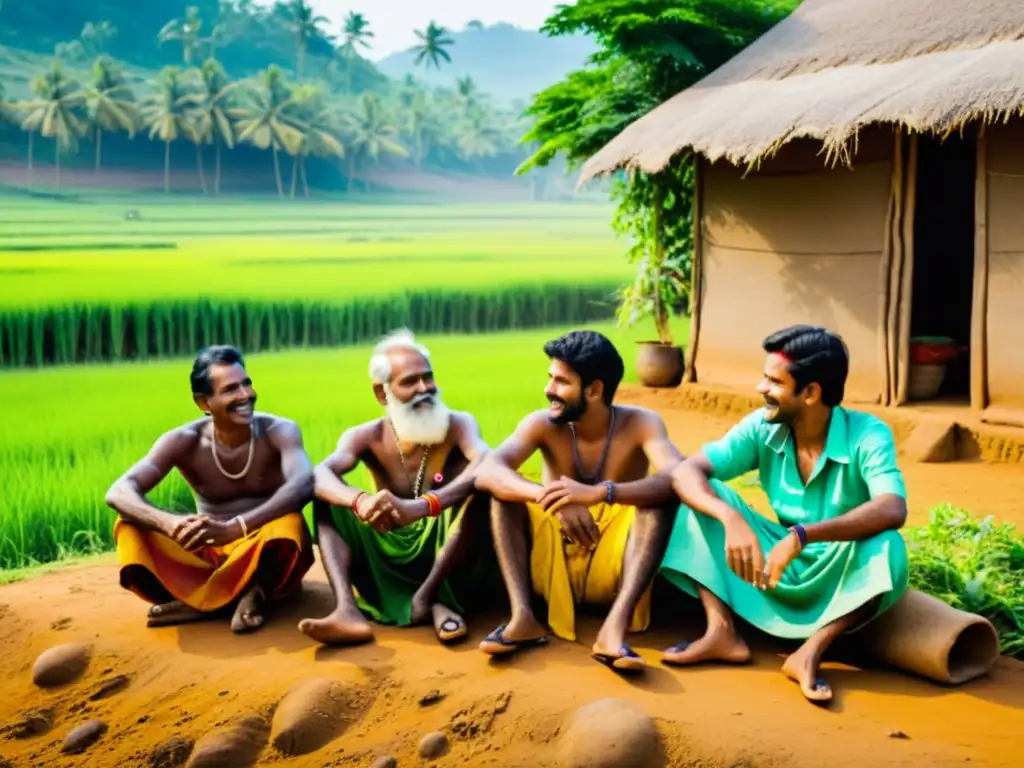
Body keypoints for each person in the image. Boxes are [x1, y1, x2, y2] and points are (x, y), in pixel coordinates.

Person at [659, 324, 910, 704]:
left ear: (810, 393)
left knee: (889, 546)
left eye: (774, 381)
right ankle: (721, 631)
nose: (761, 388)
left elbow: (893, 507)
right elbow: (685, 472)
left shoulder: (868, 434)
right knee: (704, 498)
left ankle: (811, 651)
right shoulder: (761, 426)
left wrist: (803, 535)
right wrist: (730, 519)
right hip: (774, 563)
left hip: (840, 565)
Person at [474, 330, 683, 672]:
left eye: (561, 381)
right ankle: (522, 617)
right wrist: (552, 498)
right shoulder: (541, 423)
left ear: (594, 390)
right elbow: (488, 470)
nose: (549, 389)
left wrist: (602, 492)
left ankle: (613, 629)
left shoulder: (641, 423)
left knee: (656, 504)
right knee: (502, 496)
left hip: (616, 562)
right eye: (550, 378)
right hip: (554, 558)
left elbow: (676, 476)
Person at [298, 329, 493, 647]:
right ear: (382, 393)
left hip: (445, 546)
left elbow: (486, 462)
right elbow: (319, 474)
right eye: (410, 382)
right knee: (327, 500)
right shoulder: (366, 435)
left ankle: (431, 598)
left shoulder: (460, 424)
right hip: (388, 541)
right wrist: (360, 501)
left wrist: (423, 506)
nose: (424, 389)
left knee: (479, 494)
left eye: (428, 377)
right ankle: (346, 610)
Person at [105, 345, 316, 634]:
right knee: (128, 524)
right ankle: (236, 598)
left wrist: (236, 528)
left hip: (260, 551)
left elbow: (303, 484)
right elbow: (119, 491)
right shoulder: (183, 440)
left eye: (246, 383)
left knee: (289, 524)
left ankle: (212, 601)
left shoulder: (280, 430)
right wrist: (169, 523)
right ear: (203, 402)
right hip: (209, 554)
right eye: (230, 389)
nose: (245, 395)